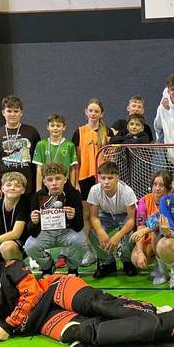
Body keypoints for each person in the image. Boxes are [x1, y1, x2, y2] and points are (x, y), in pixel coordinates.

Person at [0, 239, 162, 344]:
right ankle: (145, 331)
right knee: (83, 330)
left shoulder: (12, 267)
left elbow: (31, 295)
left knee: (96, 304)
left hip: (54, 289)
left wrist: (7, 327)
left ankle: (154, 312)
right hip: (39, 321)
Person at [24, 162, 87, 276]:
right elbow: (32, 231)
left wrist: (73, 217)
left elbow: (79, 226)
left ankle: (73, 268)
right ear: (44, 182)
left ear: (65, 179)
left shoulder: (74, 194)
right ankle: (47, 266)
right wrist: (34, 222)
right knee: (30, 246)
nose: (54, 183)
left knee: (80, 242)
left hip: (67, 232)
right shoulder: (38, 196)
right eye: (50, 179)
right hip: (46, 232)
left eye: (58, 178)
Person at [72, 97, 112, 259]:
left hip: (103, 179)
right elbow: (75, 161)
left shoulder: (107, 132)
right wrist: (75, 182)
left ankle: (104, 252)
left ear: (102, 113)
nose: (93, 113)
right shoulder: (79, 132)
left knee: (100, 217)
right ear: (86, 112)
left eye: (96, 111)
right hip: (85, 179)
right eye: (91, 110)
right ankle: (87, 250)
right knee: (86, 215)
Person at [86, 161, 138, 278]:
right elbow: (93, 216)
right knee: (93, 233)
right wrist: (100, 231)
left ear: (117, 178)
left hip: (124, 215)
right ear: (99, 178)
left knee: (130, 234)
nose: (106, 182)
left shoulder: (127, 191)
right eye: (103, 178)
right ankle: (107, 263)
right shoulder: (94, 190)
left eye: (110, 178)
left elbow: (131, 219)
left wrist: (118, 235)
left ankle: (127, 261)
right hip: (106, 215)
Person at [0, 95, 41, 198]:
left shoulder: (32, 132)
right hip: (5, 187)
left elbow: (38, 162)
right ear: (3, 113)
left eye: (16, 111)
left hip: (28, 187)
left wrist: (39, 187)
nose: (12, 114)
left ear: (21, 113)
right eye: (9, 111)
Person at [129, 170, 173, 283]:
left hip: (168, 237)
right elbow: (140, 226)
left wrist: (145, 230)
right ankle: (157, 264)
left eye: (161, 185)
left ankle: (165, 271)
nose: (157, 188)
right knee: (135, 258)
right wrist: (140, 252)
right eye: (155, 184)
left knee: (155, 233)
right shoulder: (144, 200)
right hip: (148, 239)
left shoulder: (171, 201)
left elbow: (158, 222)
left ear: (168, 188)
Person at [0, 172, 29, 260]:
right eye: (8, 185)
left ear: (23, 190)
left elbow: (15, 234)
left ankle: (18, 267)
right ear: (2, 188)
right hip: (0, 243)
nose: (12, 188)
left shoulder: (25, 205)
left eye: (17, 186)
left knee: (7, 247)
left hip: (21, 245)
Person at [32, 113, 78, 192]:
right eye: (52, 125)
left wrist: (72, 188)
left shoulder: (69, 145)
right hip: (47, 184)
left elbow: (72, 169)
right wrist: (38, 189)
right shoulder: (41, 144)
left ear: (64, 127)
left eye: (58, 126)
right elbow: (39, 169)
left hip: (64, 184)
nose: (55, 128)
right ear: (48, 127)